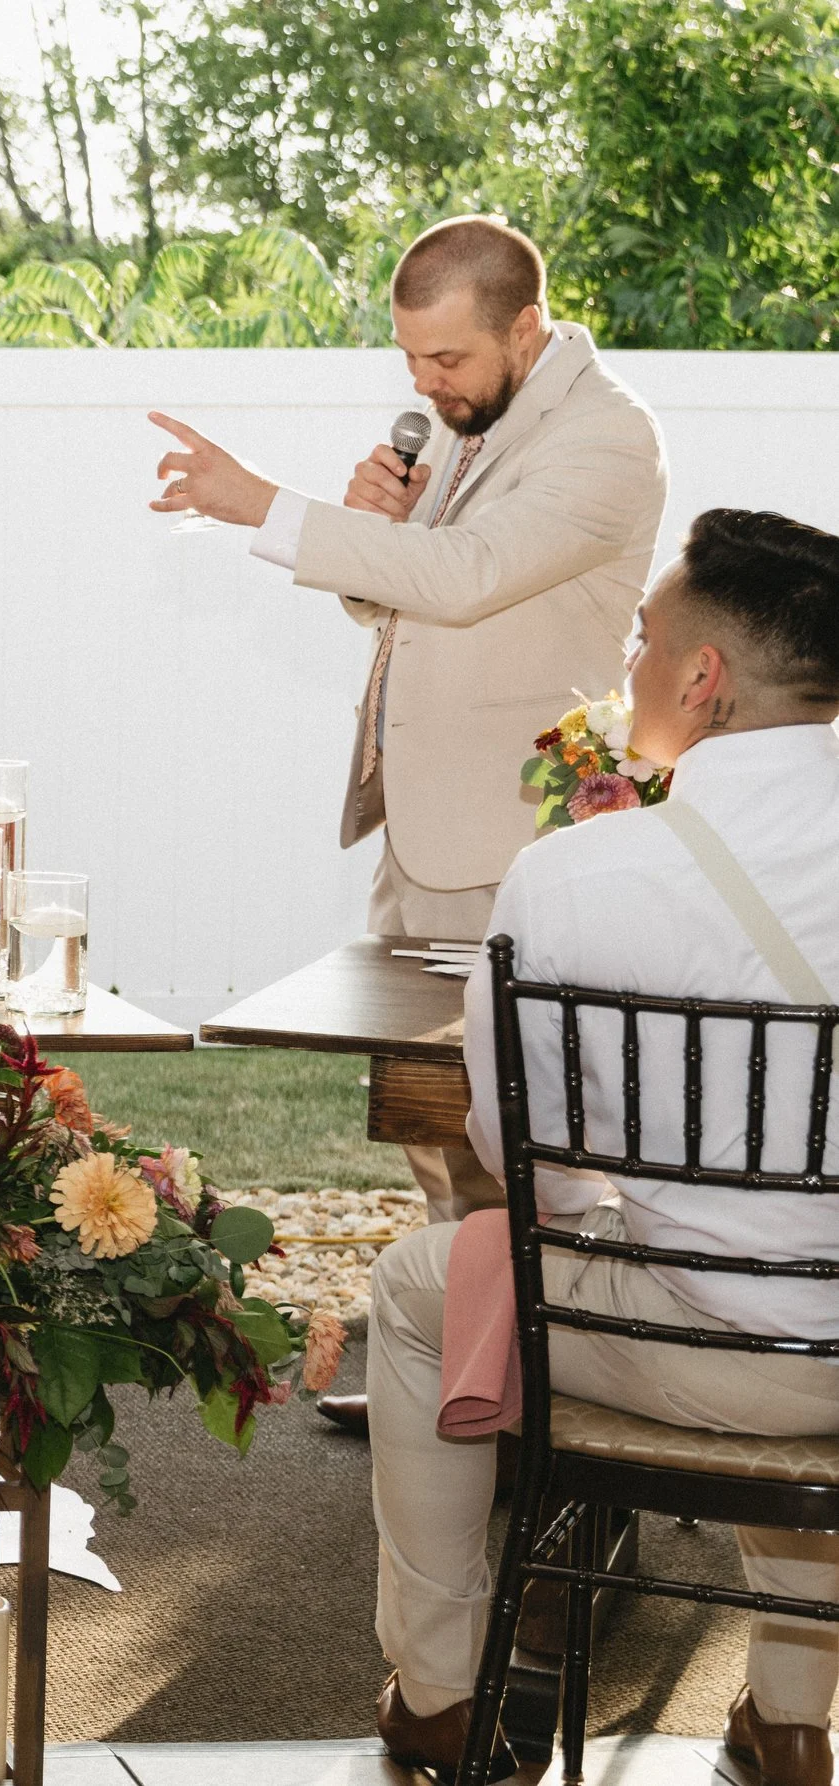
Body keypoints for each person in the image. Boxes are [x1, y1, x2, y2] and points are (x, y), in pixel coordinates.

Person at [149, 217, 669, 1432]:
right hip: (424, 823)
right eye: (410, 360)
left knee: (519, 1135)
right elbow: (389, 598)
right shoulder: (467, 420)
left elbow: (466, 575)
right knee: (434, 1125)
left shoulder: (604, 436)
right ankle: (459, 1372)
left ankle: (536, 1402)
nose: (424, 385)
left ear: (525, 327)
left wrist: (259, 503)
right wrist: (370, 529)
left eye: (446, 359)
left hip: (514, 839)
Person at [362, 510, 839, 1782]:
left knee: (419, 1290)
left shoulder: (579, 875)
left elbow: (514, 1145)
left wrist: (612, 1203)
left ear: (703, 677)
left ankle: (442, 1693)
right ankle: (792, 1718)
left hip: (701, 1346)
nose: (629, 661)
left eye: (642, 638)